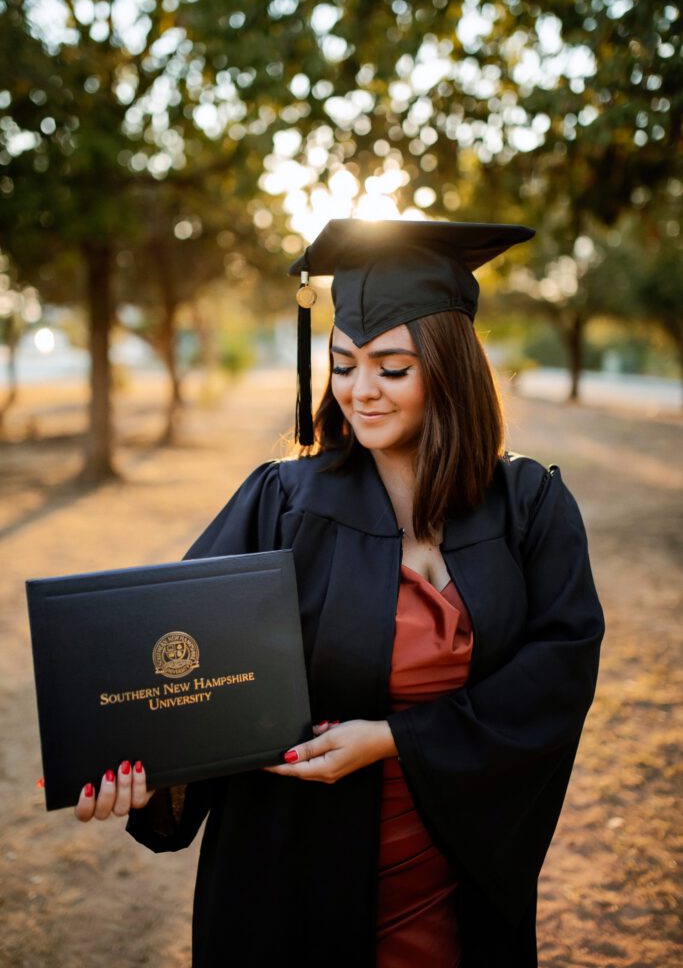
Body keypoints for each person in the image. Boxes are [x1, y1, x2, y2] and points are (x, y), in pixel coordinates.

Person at [74, 219, 605, 968]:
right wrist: (133, 763)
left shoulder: (528, 506)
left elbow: (561, 668)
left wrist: (396, 741)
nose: (360, 392)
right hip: (293, 864)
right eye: (344, 363)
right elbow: (182, 661)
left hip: (453, 862)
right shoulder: (282, 502)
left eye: (392, 369)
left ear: (449, 370)